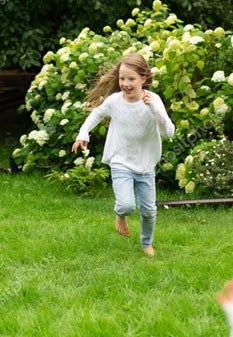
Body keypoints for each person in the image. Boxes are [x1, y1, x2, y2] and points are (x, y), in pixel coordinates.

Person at [72, 53, 174, 256]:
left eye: (131, 79)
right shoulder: (114, 101)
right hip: (120, 161)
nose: (125, 84)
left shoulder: (154, 101)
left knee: (148, 211)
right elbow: (96, 114)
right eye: (122, 79)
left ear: (143, 79)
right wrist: (83, 134)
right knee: (126, 204)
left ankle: (147, 244)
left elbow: (168, 132)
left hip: (145, 164)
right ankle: (120, 214)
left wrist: (154, 109)